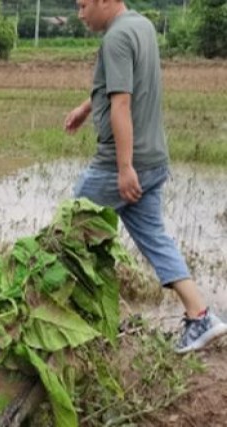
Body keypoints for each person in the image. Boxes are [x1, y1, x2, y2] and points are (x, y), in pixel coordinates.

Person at [65, 0, 227, 353]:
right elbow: (121, 85)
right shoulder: (141, 26)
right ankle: (201, 316)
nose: (80, 14)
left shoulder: (116, 38)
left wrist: (124, 168)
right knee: (155, 237)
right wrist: (86, 106)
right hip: (154, 158)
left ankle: (63, 316)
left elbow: (122, 103)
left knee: (66, 231)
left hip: (120, 163)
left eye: (82, 5)